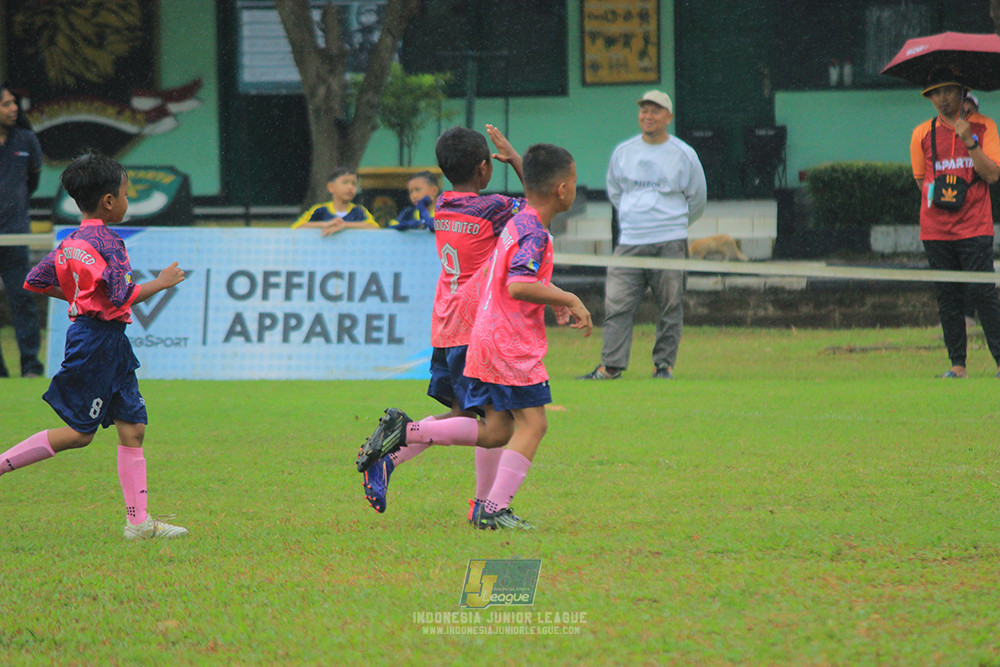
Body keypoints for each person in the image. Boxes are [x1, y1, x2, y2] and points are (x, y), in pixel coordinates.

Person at [0, 151, 189, 540]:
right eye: (125, 193)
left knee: (133, 428)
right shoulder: (110, 243)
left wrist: (77, 298)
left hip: (107, 342)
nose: (127, 200)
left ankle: (138, 523)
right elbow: (122, 296)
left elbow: (34, 280)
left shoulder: (71, 241)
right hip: (96, 343)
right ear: (108, 201)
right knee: (79, 434)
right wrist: (163, 281)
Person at [355, 124, 526, 518]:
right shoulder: (492, 208)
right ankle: (404, 434)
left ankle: (391, 462)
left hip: (447, 325)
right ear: (485, 168)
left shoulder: (444, 204)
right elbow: (540, 200)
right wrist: (515, 158)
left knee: (468, 418)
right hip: (477, 329)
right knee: (499, 423)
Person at [463, 143, 593, 529]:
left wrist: (551, 297)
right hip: (510, 343)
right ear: (563, 190)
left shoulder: (520, 218)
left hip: (487, 334)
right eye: (571, 181)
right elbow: (520, 285)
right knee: (534, 424)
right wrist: (570, 296)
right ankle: (495, 508)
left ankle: (412, 431)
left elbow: (525, 278)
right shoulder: (535, 231)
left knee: (497, 428)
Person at [579, 90, 707, 381]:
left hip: (670, 241)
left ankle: (663, 366)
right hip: (630, 241)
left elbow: (698, 198)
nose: (648, 116)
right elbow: (615, 191)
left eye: (655, 111)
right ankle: (611, 366)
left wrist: (675, 224)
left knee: (671, 305)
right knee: (617, 303)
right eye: (644, 110)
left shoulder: (684, 154)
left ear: (668, 117)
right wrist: (635, 216)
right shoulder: (624, 152)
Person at [911, 67, 1000, 378]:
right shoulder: (922, 133)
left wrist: (969, 141)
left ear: (963, 92)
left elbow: (992, 174)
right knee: (947, 296)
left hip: (975, 225)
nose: (942, 98)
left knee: (983, 293)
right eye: (935, 92)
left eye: (948, 90)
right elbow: (921, 179)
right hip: (936, 229)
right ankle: (957, 365)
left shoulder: (984, 127)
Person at [0, 83, 44, 378]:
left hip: (16, 233)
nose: (14, 108)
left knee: (23, 297)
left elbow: (32, 183)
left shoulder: (27, 140)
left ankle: (30, 364)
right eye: (5, 104)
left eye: (14, 102)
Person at [291, 167, 378, 236]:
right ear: (331, 187)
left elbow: (374, 228)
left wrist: (345, 225)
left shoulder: (359, 211)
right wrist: (324, 224)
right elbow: (296, 227)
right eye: (345, 182)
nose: (350, 187)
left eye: (354, 184)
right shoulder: (319, 210)